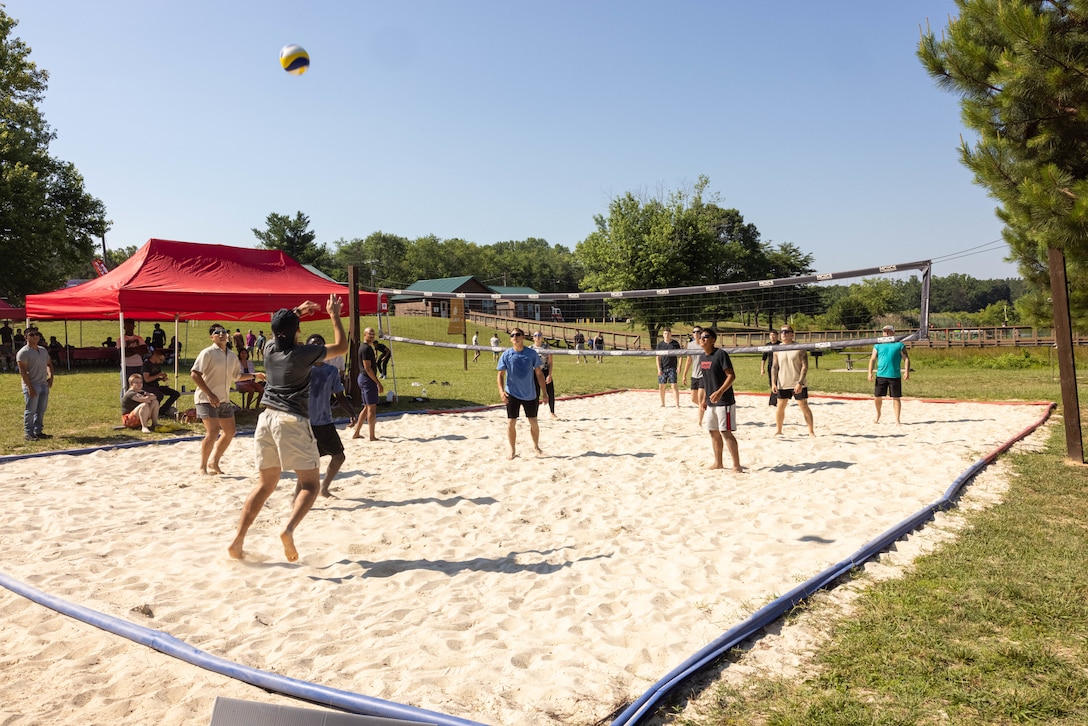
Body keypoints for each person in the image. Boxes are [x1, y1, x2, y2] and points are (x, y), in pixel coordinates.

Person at [228, 295, 349, 562]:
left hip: (266, 419)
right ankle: (288, 528)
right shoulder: (302, 353)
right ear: (297, 331)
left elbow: (281, 327)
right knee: (309, 484)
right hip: (291, 420)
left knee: (264, 485)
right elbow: (341, 346)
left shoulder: (270, 348)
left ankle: (237, 542)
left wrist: (296, 312)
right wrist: (334, 314)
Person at [191, 323, 263, 475]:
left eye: (224, 332)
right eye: (217, 332)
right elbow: (194, 374)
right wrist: (210, 394)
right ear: (212, 337)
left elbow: (237, 376)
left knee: (230, 431)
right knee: (212, 432)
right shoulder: (208, 353)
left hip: (223, 399)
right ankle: (202, 467)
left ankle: (214, 462)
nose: (222, 334)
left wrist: (255, 375)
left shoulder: (231, 355)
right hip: (206, 398)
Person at [305, 333, 356, 497]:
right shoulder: (302, 370)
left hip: (325, 422)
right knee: (309, 464)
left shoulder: (331, 371)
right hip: (305, 423)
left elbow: (339, 396)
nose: (317, 347)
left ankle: (324, 488)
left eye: (320, 344)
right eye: (313, 344)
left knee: (339, 456)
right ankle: (299, 497)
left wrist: (352, 413)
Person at [497, 327, 547, 459]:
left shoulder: (531, 354)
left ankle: (536, 446)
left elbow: (539, 373)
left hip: (529, 393)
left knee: (533, 422)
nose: (515, 337)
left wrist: (545, 393)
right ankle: (512, 450)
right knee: (511, 422)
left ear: (523, 337)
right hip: (511, 393)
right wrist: (501, 392)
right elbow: (500, 375)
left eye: (517, 335)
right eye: (512, 335)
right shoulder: (506, 355)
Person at [697, 328, 742, 472]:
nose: (702, 339)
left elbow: (731, 376)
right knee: (713, 431)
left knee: (725, 432)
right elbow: (706, 380)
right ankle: (718, 463)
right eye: (700, 336)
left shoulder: (720, 354)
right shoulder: (702, 357)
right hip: (711, 402)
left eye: (705, 336)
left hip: (724, 401)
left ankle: (736, 465)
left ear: (713, 340)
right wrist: (704, 399)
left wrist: (720, 392)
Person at [770, 325, 815, 437]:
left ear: (792, 334)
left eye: (786, 332)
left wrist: (800, 382)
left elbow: (805, 366)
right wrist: (773, 382)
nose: (783, 334)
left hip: (798, 382)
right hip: (783, 382)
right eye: (782, 332)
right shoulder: (777, 348)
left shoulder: (799, 347)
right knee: (780, 406)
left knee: (803, 405)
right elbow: (774, 367)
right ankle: (779, 430)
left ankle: (811, 431)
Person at [868, 324, 911, 424]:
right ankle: (878, 414)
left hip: (894, 375)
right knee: (877, 397)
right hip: (881, 375)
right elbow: (873, 359)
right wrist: (870, 372)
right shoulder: (878, 345)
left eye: (888, 331)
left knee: (896, 397)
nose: (886, 333)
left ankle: (897, 419)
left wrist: (906, 371)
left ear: (893, 332)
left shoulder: (899, 344)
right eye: (884, 331)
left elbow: (906, 359)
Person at [17, 327, 53, 441]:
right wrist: (30, 387)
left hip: (43, 384)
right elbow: (23, 371)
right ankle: (29, 433)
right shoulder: (23, 352)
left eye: (37, 334)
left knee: (41, 410)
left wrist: (51, 377)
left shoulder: (43, 350)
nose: (35, 336)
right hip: (32, 384)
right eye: (32, 335)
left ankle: (38, 431)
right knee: (30, 410)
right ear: (26, 337)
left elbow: (49, 364)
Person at [351, 327, 384, 441]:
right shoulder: (365, 349)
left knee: (366, 408)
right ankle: (372, 436)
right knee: (371, 408)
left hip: (364, 378)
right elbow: (367, 367)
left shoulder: (365, 347)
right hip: (367, 379)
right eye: (369, 334)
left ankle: (356, 433)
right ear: (364, 334)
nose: (372, 336)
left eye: (373, 334)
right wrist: (378, 383)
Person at [142, 347, 181, 415]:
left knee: (175, 394)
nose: (161, 362)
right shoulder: (146, 364)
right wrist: (158, 375)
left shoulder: (157, 365)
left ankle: (162, 411)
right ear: (155, 356)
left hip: (155, 386)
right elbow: (147, 379)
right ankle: (153, 412)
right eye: (160, 360)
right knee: (159, 395)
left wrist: (161, 378)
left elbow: (155, 376)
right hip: (147, 387)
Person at [681, 326, 705, 425]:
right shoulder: (690, 345)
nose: (696, 334)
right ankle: (705, 406)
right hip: (694, 374)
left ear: (701, 333)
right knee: (693, 399)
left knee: (700, 399)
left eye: (698, 332)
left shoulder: (704, 344)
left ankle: (699, 422)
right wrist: (684, 374)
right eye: (694, 332)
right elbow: (689, 360)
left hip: (703, 375)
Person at [531, 331, 556, 417]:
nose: (537, 337)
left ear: (542, 337)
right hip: (534, 373)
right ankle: (534, 414)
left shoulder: (546, 347)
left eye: (539, 335)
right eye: (535, 335)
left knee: (550, 392)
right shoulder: (530, 348)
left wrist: (549, 374)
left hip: (545, 371)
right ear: (533, 338)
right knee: (535, 394)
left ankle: (552, 412)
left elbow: (550, 362)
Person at [655, 327, 682, 408]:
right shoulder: (660, 345)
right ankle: (663, 403)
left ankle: (677, 404)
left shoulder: (675, 344)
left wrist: (679, 367)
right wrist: (659, 369)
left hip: (672, 368)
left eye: (668, 333)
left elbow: (680, 356)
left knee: (673, 385)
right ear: (663, 335)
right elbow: (657, 358)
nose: (667, 335)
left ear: (671, 334)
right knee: (661, 386)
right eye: (665, 333)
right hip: (663, 368)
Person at [759, 329, 781, 406]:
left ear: (777, 336)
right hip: (770, 367)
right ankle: (774, 401)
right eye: (771, 335)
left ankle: (773, 401)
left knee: (779, 383)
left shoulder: (780, 345)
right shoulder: (767, 345)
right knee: (772, 383)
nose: (772, 337)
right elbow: (763, 358)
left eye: (774, 335)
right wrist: (762, 368)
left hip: (780, 366)